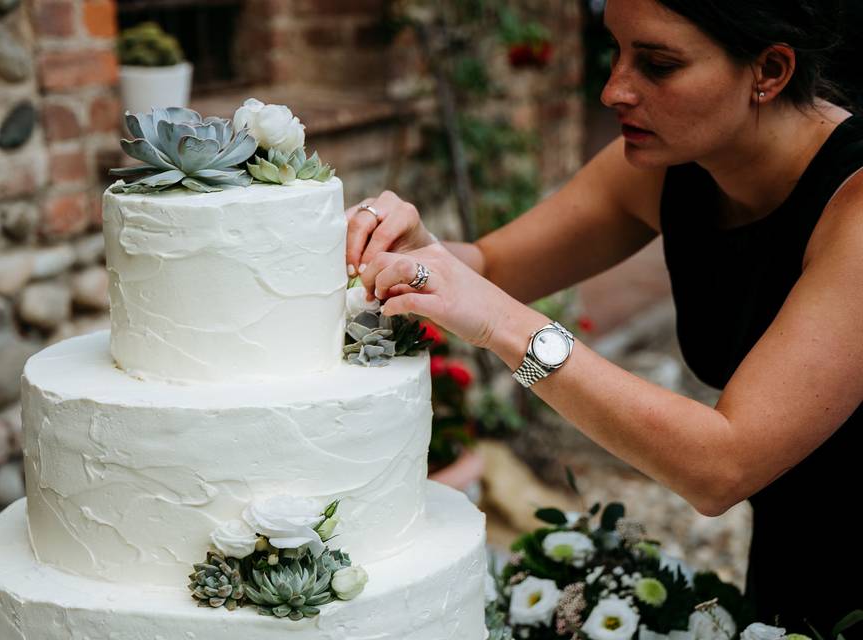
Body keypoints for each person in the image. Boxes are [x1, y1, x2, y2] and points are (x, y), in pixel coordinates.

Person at [345, 0, 863, 634]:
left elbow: (721, 467)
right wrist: (417, 249)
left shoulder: (856, 205)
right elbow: (495, 264)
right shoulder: (668, 167)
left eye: (659, 64)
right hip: (789, 557)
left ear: (770, 71)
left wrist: (502, 326)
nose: (614, 88)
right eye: (614, 50)